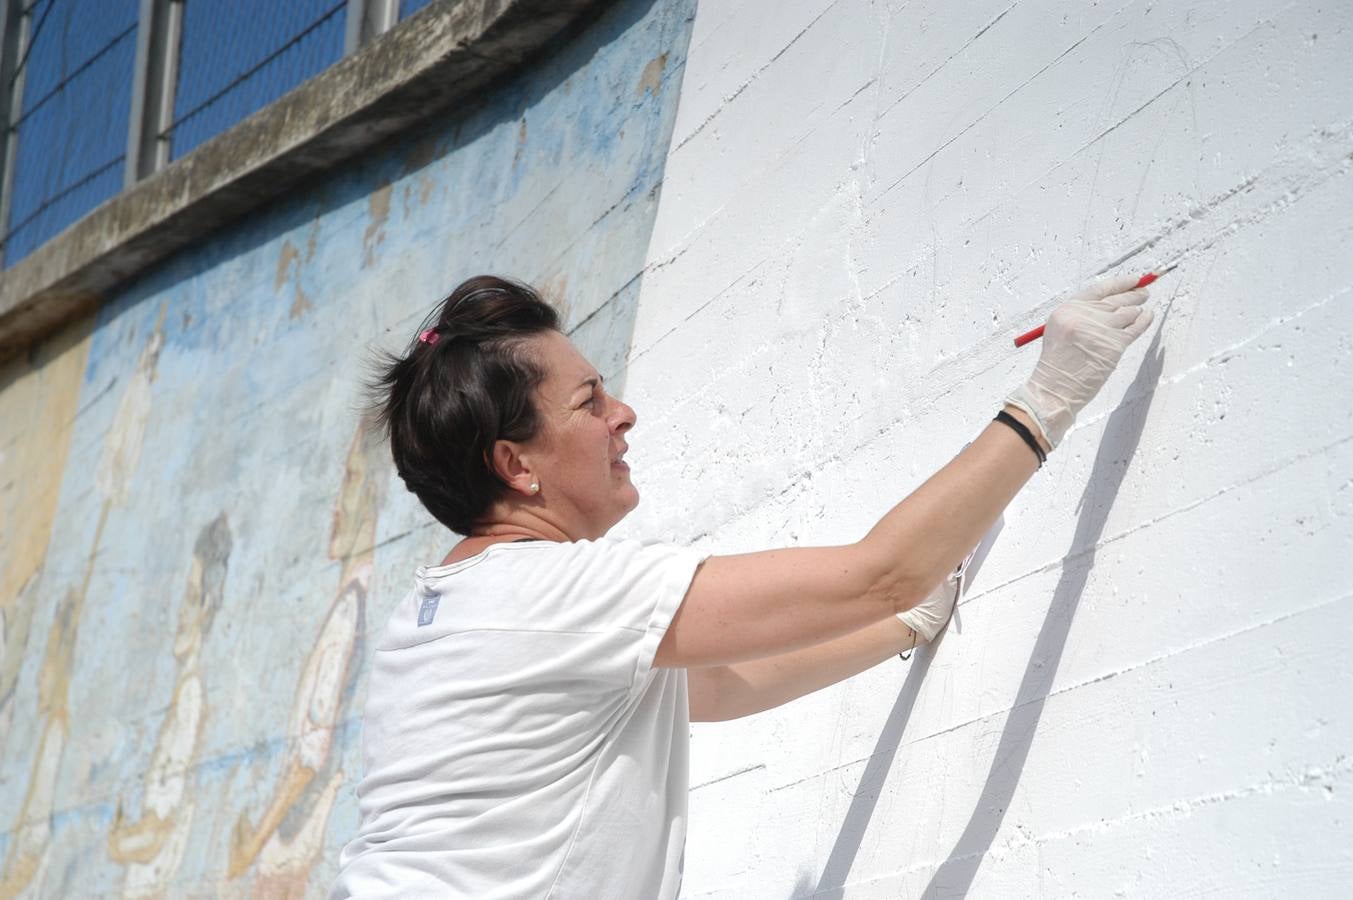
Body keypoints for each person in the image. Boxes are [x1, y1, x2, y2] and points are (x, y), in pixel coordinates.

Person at [329, 273, 1153, 898]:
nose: (623, 414)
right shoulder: (550, 594)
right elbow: (880, 572)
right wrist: (1047, 400)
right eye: (588, 400)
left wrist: (905, 626)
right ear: (516, 465)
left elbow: (720, 686)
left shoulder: (438, 611)